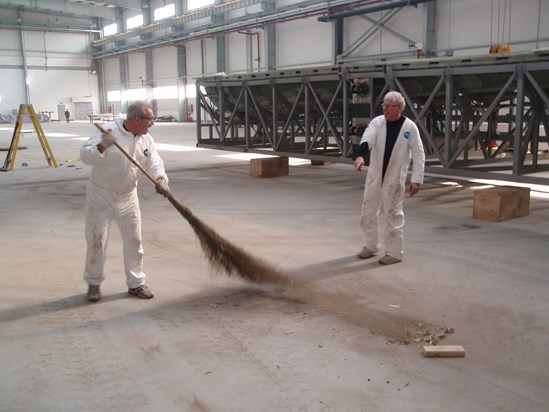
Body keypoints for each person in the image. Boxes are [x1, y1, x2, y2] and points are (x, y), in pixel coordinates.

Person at [80, 101, 171, 302]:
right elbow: (85, 156)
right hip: (101, 197)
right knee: (97, 242)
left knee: (134, 241)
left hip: (129, 197)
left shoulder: (146, 139)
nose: (153, 124)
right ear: (137, 119)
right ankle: (94, 283)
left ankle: (136, 283)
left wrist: (161, 178)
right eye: (150, 120)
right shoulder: (109, 130)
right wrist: (102, 145)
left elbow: (154, 160)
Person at [353, 91, 425, 265]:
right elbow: (367, 139)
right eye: (383, 106)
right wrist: (361, 156)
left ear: (399, 108)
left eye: (388, 106)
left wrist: (417, 179)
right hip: (375, 177)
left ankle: (394, 253)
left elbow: (418, 153)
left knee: (393, 215)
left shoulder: (409, 127)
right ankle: (372, 245)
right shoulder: (378, 122)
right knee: (367, 212)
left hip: (395, 179)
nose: (385, 109)